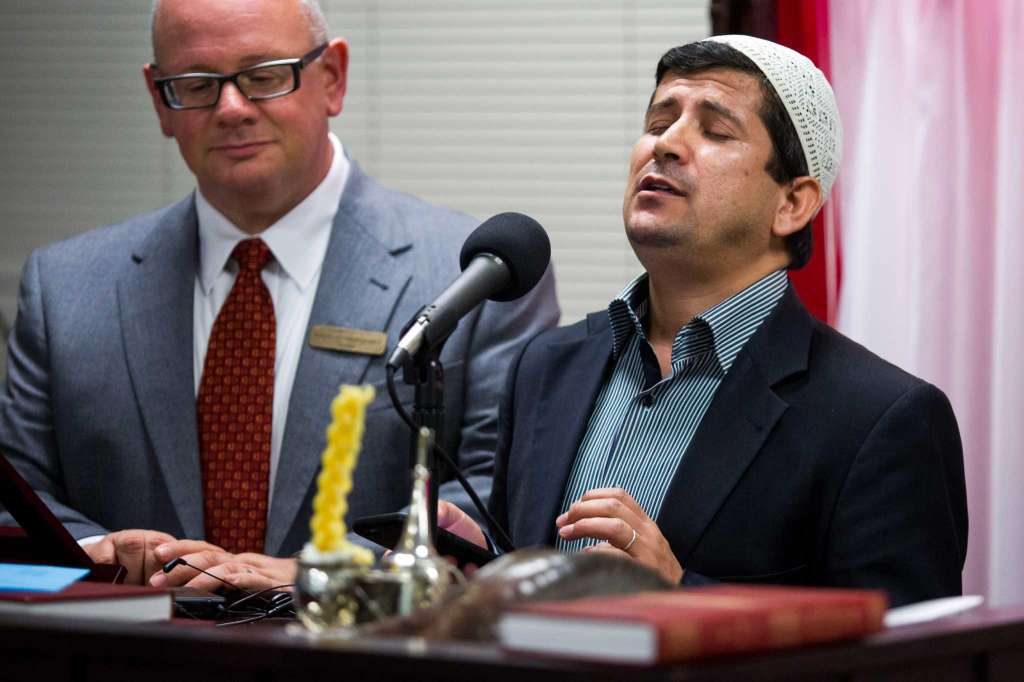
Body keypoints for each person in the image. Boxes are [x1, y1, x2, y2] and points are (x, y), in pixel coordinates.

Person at [0, 0, 558, 590]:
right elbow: (19, 495)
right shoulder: (65, 289)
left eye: (264, 76)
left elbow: (494, 500)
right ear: (159, 98)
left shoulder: (473, 278)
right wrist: (97, 551)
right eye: (195, 84)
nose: (231, 108)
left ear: (332, 79)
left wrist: (328, 575)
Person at [439, 35, 967, 607]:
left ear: (793, 203)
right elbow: (529, 576)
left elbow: (903, 659)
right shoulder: (546, 365)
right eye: (659, 121)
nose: (666, 144)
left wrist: (679, 595)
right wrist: (481, 560)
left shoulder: (882, 420)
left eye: (715, 131)